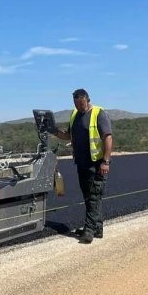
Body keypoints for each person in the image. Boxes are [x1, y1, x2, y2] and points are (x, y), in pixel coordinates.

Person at [50, 88, 113, 244]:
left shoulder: (99, 114)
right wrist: (55, 132)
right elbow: (69, 135)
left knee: (93, 197)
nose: (79, 107)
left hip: (97, 164)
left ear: (87, 99)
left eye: (81, 104)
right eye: (76, 104)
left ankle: (89, 231)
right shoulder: (75, 115)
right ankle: (97, 228)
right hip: (81, 163)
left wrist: (105, 161)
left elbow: (108, 137)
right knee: (89, 197)